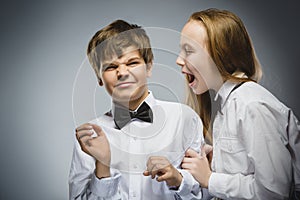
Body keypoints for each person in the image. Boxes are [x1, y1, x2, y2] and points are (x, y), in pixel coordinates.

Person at [69, 19, 207, 199]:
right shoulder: (90, 135)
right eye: (111, 67)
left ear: (149, 67)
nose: (122, 72)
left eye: (132, 63)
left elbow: (205, 193)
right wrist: (103, 167)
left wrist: (177, 180)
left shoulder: (185, 119)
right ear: (99, 78)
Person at [176, 8, 300, 200]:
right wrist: (216, 160)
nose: (178, 60)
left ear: (221, 54)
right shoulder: (226, 105)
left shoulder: (251, 105)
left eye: (189, 50)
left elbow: (274, 193)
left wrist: (210, 178)